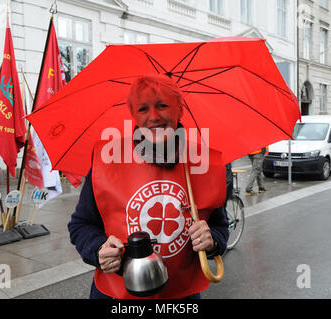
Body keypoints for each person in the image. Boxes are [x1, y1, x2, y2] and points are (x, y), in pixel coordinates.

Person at [68, 74, 229, 299]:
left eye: (162, 105)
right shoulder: (108, 161)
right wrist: (97, 249)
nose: (153, 117)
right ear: (134, 115)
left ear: (179, 110)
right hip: (117, 295)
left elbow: (220, 227)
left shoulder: (204, 163)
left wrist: (212, 240)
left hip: (181, 296)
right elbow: (81, 225)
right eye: (143, 109)